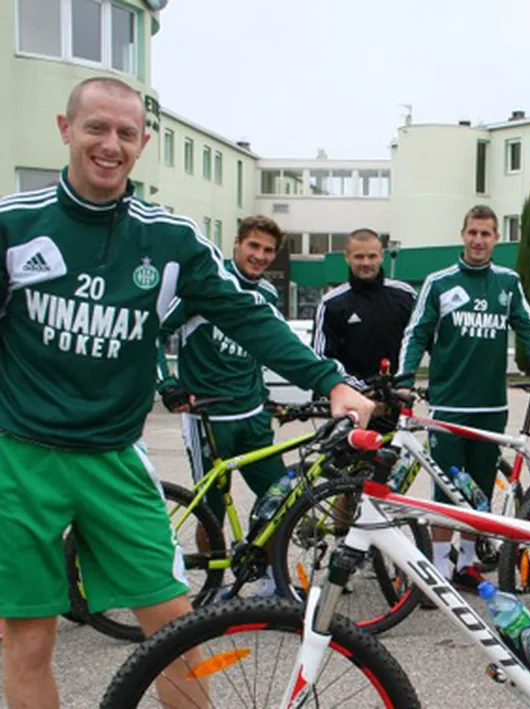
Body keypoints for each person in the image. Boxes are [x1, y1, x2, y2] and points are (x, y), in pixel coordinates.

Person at [0, 76, 374, 708]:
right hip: (20, 458)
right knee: (27, 640)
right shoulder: (15, 225)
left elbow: (248, 316)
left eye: (126, 133)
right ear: (66, 130)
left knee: (176, 633)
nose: (111, 145)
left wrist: (330, 381)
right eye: (96, 128)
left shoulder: (170, 239)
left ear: (143, 143)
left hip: (114, 459)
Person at [399, 205, 530, 589]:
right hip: (448, 406)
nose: (478, 240)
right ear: (463, 234)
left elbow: (528, 328)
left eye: (486, 234)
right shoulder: (439, 282)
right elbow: (416, 334)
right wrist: (404, 379)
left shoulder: (508, 282)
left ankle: (466, 565)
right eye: (473, 232)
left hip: (491, 407)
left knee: (479, 491)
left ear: (496, 239)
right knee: (445, 492)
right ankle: (440, 571)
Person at [155, 215, 291, 595]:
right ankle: (212, 587)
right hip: (208, 417)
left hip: (253, 417)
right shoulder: (205, 283)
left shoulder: (267, 294)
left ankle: (271, 581)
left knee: (279, 500)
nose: (259, 256)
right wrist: (168, 385)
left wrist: (266, 398)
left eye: (268, 250)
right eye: (253, 246)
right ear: (237, 244)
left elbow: (261, 349)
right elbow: (154, 332)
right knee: (211, 513)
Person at [314, 228, 417, 383]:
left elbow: (422, 341)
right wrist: (357, 388)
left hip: (398, 393)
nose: (366, 263)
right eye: (359, 257)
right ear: (347, 257)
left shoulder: (406, 295)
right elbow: (321, 358)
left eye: (372, 256)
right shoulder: (331, 304)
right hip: (349, 394)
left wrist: (404, 383)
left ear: (382, 256)